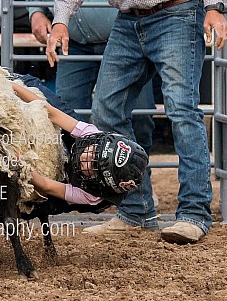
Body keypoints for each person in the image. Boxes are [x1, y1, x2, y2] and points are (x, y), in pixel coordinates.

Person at [46, 0, 227, 243]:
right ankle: (135, 211)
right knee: (106, 111)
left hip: (178, 13)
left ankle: (193, 214)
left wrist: (214, 6)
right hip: (129, 20)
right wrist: (60, 20)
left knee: (181, 110)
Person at [12, 82, 149, 207]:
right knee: (50, 100)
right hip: (77, 144)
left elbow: (45, 185)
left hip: (81, 187)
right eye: (95, 150)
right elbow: (51, 112)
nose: (86, 157)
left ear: (101, 181)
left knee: (46, 202)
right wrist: (14, 86)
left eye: (94, 165)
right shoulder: (92, 134)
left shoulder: (92, 196)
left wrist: (19, 160)